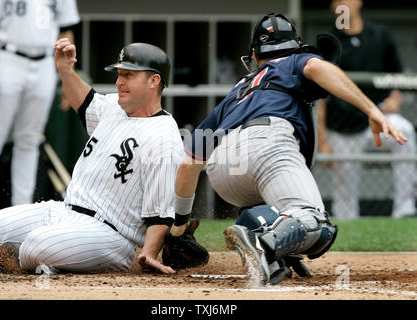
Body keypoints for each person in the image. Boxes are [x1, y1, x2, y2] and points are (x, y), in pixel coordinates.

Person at [168, 13, 408, 285]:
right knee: (316, 225)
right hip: (267, 144)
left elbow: (189, 163)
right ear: (297, 46)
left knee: (280, 214)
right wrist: (372, 110)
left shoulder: (235, 93)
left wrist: (179, 228)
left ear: (255, 57)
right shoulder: (296, 60)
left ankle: (270, 243)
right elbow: (320, 68)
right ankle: (264, 244)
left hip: (222, 172)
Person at [0, 40, 184, 275]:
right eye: (119, 74)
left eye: (129, 75)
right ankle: (16, 252)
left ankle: (10, 252)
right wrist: (66, 70)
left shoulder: (164, 137)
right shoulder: (113, 106)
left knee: (37, 243)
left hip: (110, 235)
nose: (119, 82)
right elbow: (84, 100)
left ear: (154, 81)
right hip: (63, 211)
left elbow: (161, 212)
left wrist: (150, 252)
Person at [0, 0, 80, 212]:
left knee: (30, 140)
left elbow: (67, 31)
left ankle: (21, 210)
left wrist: (67, 78)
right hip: (8, 57)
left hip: (45, 62)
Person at [318, 0, 416, 219]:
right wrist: (323, 141)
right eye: (337, 1)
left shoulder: (380, 35)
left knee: (406, 132)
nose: (342, 4)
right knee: (345, 195)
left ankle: (404, 209)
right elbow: (321, 98)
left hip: (378, 115)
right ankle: (347, 237)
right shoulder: (330, 41)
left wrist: (395, 97)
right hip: (343, 124)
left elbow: (397, 77)